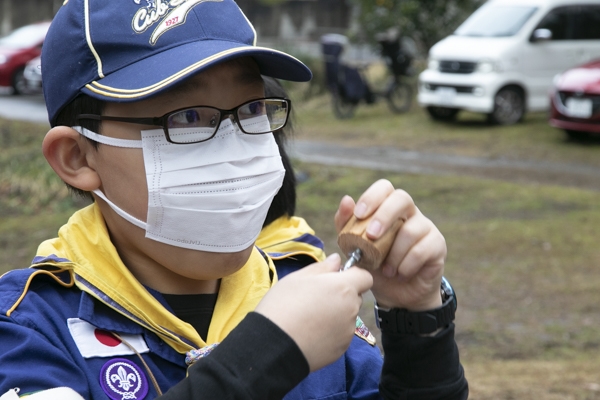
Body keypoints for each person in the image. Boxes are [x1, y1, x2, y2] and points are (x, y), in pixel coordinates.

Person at [0, 1, 468, 399]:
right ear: (77, 156)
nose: (234, 148)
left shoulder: (302, 294)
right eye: (186, 117)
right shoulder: (28, 331)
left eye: (252, 109)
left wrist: (418, 323)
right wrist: (265, 357)